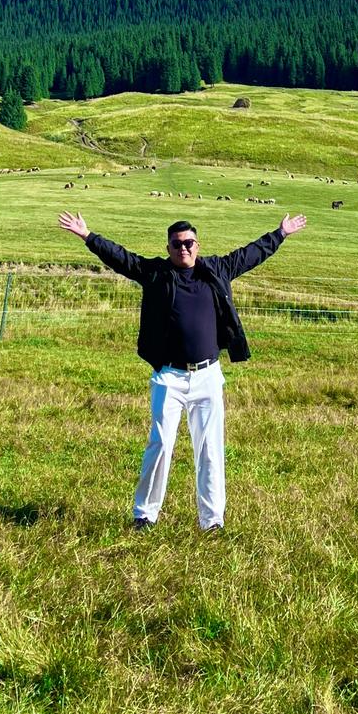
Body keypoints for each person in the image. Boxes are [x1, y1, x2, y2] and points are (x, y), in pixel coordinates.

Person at [57, 210, 307, 533]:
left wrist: (280, 233)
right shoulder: (157, 274)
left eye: (188, 243)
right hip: (169, 377)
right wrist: (88, 236)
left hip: (207, 376)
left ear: (197, 245)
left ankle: (212, 521)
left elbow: (250, 255)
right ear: (169, 248)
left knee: (210, 449)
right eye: (177, 245)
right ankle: (144, 515)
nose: (183, 249)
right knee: (160, 444)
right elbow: (122, 258)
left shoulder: (216, 269)